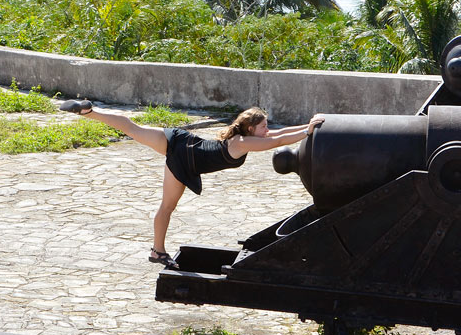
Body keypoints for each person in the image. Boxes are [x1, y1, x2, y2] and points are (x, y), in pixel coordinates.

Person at [61, 100, 324, 268]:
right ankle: (157, 251)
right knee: (165, 205)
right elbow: (277, 141)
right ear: (251, 128)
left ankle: (89, 112)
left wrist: (309, 124)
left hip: (182, 143)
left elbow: (277, 134)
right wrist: (306, 132)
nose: (268, 129)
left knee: (133, 129)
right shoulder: (243, 143)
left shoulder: (245, 136)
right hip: (184, 155)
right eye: (263, 126)